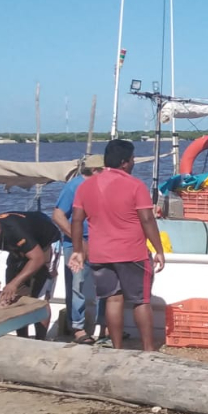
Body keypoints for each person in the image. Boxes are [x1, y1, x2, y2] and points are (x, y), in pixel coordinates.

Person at [68, 139, 165, 352]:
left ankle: (117, 349)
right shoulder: (135, 185)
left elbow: (75, 220)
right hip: (133, 252)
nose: (133, 163)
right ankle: (149, 350)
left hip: (101, 254)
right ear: (124, 163)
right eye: (132, 159)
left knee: (112, 300)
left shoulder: (86, 186)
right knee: (141, 301)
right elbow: (147, 219)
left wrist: (77, 250)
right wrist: (159, 250)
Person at [0, 210, 61, 339]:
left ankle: (41, 340)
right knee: (14, 297)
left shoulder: (15, 229)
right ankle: (22, 338)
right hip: (19, 249)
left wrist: (14, 283)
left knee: (39, 299)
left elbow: (38, 258)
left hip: (45, 245)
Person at [52, 153, 104, 344]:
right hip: (75, 244)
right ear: (96, 170)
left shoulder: (102, 186)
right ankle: (78, 328)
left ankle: (102, 325)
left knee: (104, 284)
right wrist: (78, 242)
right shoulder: (74, 186)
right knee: (78, 285)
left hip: (100, 242)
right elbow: (58, 215)